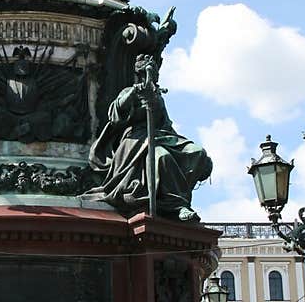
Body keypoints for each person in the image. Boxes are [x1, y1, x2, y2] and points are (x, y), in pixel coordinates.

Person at [88, 53, 212, 221]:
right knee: (162, 157)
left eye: (153, 74)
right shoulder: (129, 92)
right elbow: (116, 113)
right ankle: (176, 204)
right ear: (139, 75)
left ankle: (176, 193)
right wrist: (135, 91)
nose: (151, 78)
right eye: (147, 74)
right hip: (136, 140)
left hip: (159, 136)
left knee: (197, 152)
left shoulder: (157, 96)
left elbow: (166, 125)